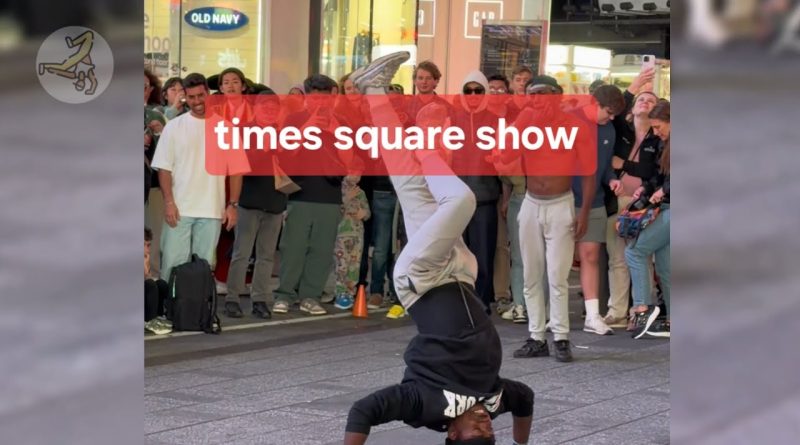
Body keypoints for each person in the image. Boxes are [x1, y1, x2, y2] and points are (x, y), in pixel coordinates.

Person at [343, 52, 534, 445]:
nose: (484, 422)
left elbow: (364, 410)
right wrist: (520, 442)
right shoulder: (495, 399)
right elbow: (525, 399)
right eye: (490, 429)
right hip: (461, 273)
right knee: (408, 179)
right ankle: (374, 90)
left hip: (422, 280)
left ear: (451, 433)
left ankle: (424, 142)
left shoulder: (426, 405)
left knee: (458, 201)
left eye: (475, 430)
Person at [498, 75, 595, 363]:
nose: (537, 100)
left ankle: (561, 337)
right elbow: (507, 156)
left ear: (557, 95)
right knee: (530, 273)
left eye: (542, 93)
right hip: (530, 202)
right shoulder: (527, 123)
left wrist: (584, 210)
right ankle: (536, 336)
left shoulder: (575, 127)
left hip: (561, 203)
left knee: (557, 274)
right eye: (531, 95)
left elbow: (588, 172)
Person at [151, 73, 249, 283]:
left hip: (212, 210)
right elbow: (164, 169)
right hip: (179, 209)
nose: (197, 101)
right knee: (172, 265)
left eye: (201, 96)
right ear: (185, 96)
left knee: (204, 268)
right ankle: (170, 310)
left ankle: (197, 312)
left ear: (209, 93)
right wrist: (169, 202)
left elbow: (236, 170)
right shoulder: (174, 127)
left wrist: (232, 205)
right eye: (192, 97)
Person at [223, 89, 287, 319]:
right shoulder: (243, 131)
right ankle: (232, 298)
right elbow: (241, 164)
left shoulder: (283, 134)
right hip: (248, 200)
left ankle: (260, 298)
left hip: (276, 202)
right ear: (255, 108)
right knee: (241, 252)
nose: (270, 111)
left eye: (274, 107)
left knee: (267, 255)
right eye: (265, 106)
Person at [573, 85, 626, 336]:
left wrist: (612, 179)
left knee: (591, 256)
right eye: (608, 112)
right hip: (565, 199)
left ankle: (593, 316)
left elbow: (604, 166)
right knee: (559, 259)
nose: (611, 117)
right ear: (594, 103)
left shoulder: (608, 129)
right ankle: (554, 313)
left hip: (595, 201)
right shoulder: (570, 121)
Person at [628, 100, 671, 339]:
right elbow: (657, 176)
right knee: (666, 269)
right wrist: (645, 189)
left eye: (658, 126)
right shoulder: (664, 144)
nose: (657, 132)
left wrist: (663, 190)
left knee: (634, 251)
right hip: (666, 208)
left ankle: (642, 308)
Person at [333, 174, 371, 310]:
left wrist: (364, 213)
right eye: (352, 172)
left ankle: (350, 292)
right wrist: (346, 198)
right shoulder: (338, 189)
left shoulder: (361, 193)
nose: (356, 176)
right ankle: (340, 292)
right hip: (342, 234)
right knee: (341, 264)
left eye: (359, 173)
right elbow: (335, 210)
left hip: (357, 234)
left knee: (354, 265)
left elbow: (368, 213)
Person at [145, 227, 171, 335]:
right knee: (151, 285)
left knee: (161, 284)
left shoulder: (145, 257)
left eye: (149, 245)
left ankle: (158, 315)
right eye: (144, 245)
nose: (148, 249)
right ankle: (150, 321)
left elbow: (148, 276)